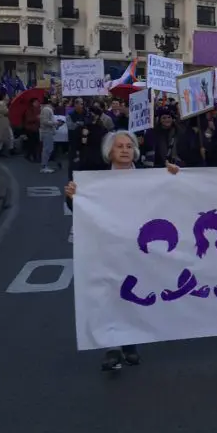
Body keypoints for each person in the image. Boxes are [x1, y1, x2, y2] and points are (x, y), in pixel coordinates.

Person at [64, 130, 180, 371]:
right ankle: (112, 347)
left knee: (133, 291)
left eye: (129, 146)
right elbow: (83, 209)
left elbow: (171, 197)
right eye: (120, 146)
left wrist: (174, 176)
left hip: (137, 246)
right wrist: (73, 197)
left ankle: (130, 344)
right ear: (110, 152)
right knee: (108, 292)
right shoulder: (96, 181)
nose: (125, 150)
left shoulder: (149, 178)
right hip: (106, 246)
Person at [39, 96, 57, 174]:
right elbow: (45, 121)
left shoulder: (47, 109)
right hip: (47, 132)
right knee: (47, 149)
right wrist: (54, 123)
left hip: (48, 131)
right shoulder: (46, 110)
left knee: (48, 149)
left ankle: (45, 165)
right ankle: (44, 166)